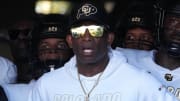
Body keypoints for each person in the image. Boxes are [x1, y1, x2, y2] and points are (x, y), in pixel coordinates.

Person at [28, 2, 177, 101]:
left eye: (95, 30)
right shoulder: (47, 85)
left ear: (109, 39)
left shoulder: (139, 82)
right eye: (78, 31)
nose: (87, 37)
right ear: (70, 40)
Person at [116, 1, 180, 100]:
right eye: (173, 20)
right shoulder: (122, 59)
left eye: (145, 38)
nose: (179, 29)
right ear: (160, 22)